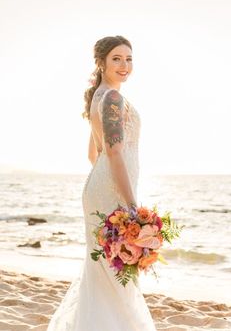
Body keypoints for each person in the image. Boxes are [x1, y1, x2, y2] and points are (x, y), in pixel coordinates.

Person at [46, 35, 156, 330]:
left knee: (105, 270)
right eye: (117, 59)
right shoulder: (113, 98)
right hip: (112, 191)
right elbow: (114, 151)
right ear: (102, 63)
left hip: (102, 187)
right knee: (114, 272)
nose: (125, 65)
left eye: (129, 59)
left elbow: (92, 153)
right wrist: (132, 205)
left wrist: (106, 181)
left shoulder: (100, 95)